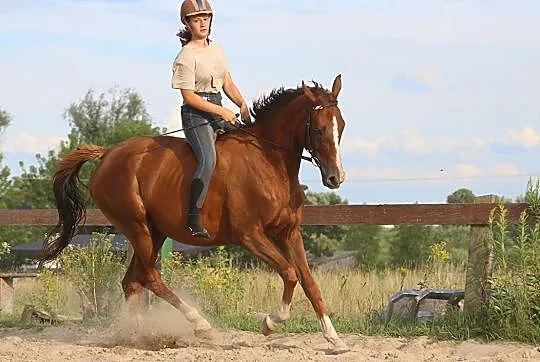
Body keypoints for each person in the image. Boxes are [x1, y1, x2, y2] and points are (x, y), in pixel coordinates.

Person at [171, 0, 251, 239]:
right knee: (208, 159)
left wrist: (241, 104)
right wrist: (222, 112)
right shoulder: (185, 56)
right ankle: (193, 218)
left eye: (206, 17)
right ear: (188, 23)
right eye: (197, 19)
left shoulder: (217, 48)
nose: (203, 22)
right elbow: (189, 97)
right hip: (196, 114)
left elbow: (227, 82)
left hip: (217, 106)